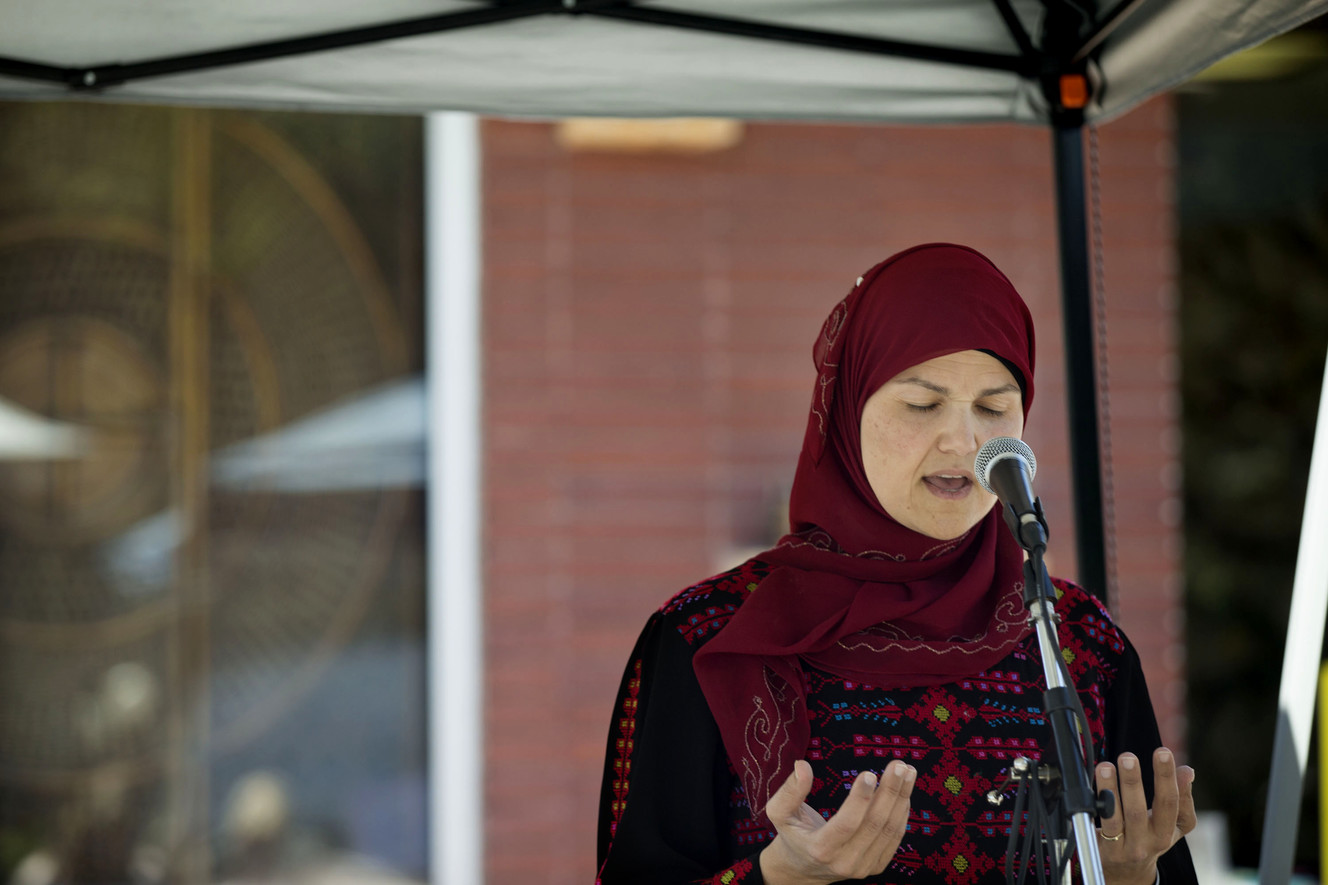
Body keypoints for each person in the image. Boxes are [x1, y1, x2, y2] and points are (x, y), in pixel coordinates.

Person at [594, 243, 1198, 885]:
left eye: (994, 409)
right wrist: (780, 877)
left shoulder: (1074, 637)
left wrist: (1134, 876)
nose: (964, 442)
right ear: (846, 411)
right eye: (922, 404)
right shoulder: (706, 634)